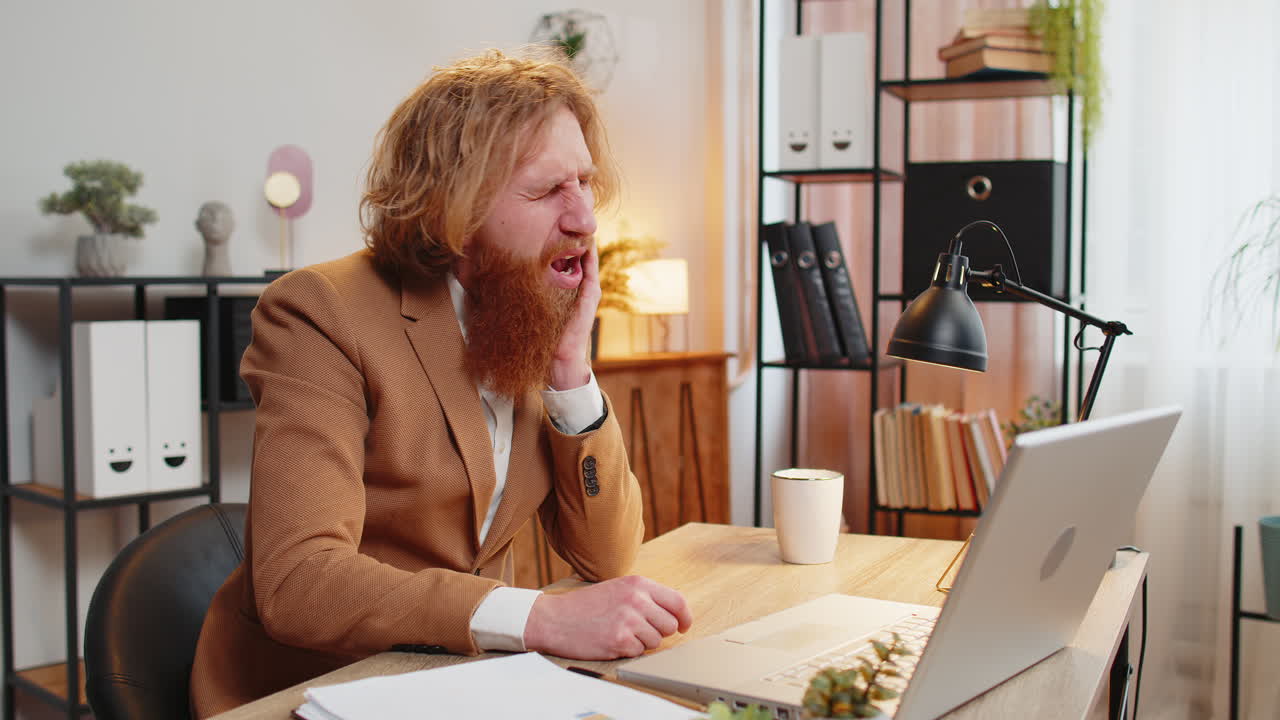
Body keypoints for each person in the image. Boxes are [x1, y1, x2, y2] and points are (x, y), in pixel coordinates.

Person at [189, 49, 692, 718]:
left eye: (585, 184)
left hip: (461, 687)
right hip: (312, 690)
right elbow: (298, 580)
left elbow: (609, 559)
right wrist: (538, 618)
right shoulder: (320, 311)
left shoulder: (524, 313)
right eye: (548, 191)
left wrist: (572, 374)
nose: (585, 220)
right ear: (455, 208)